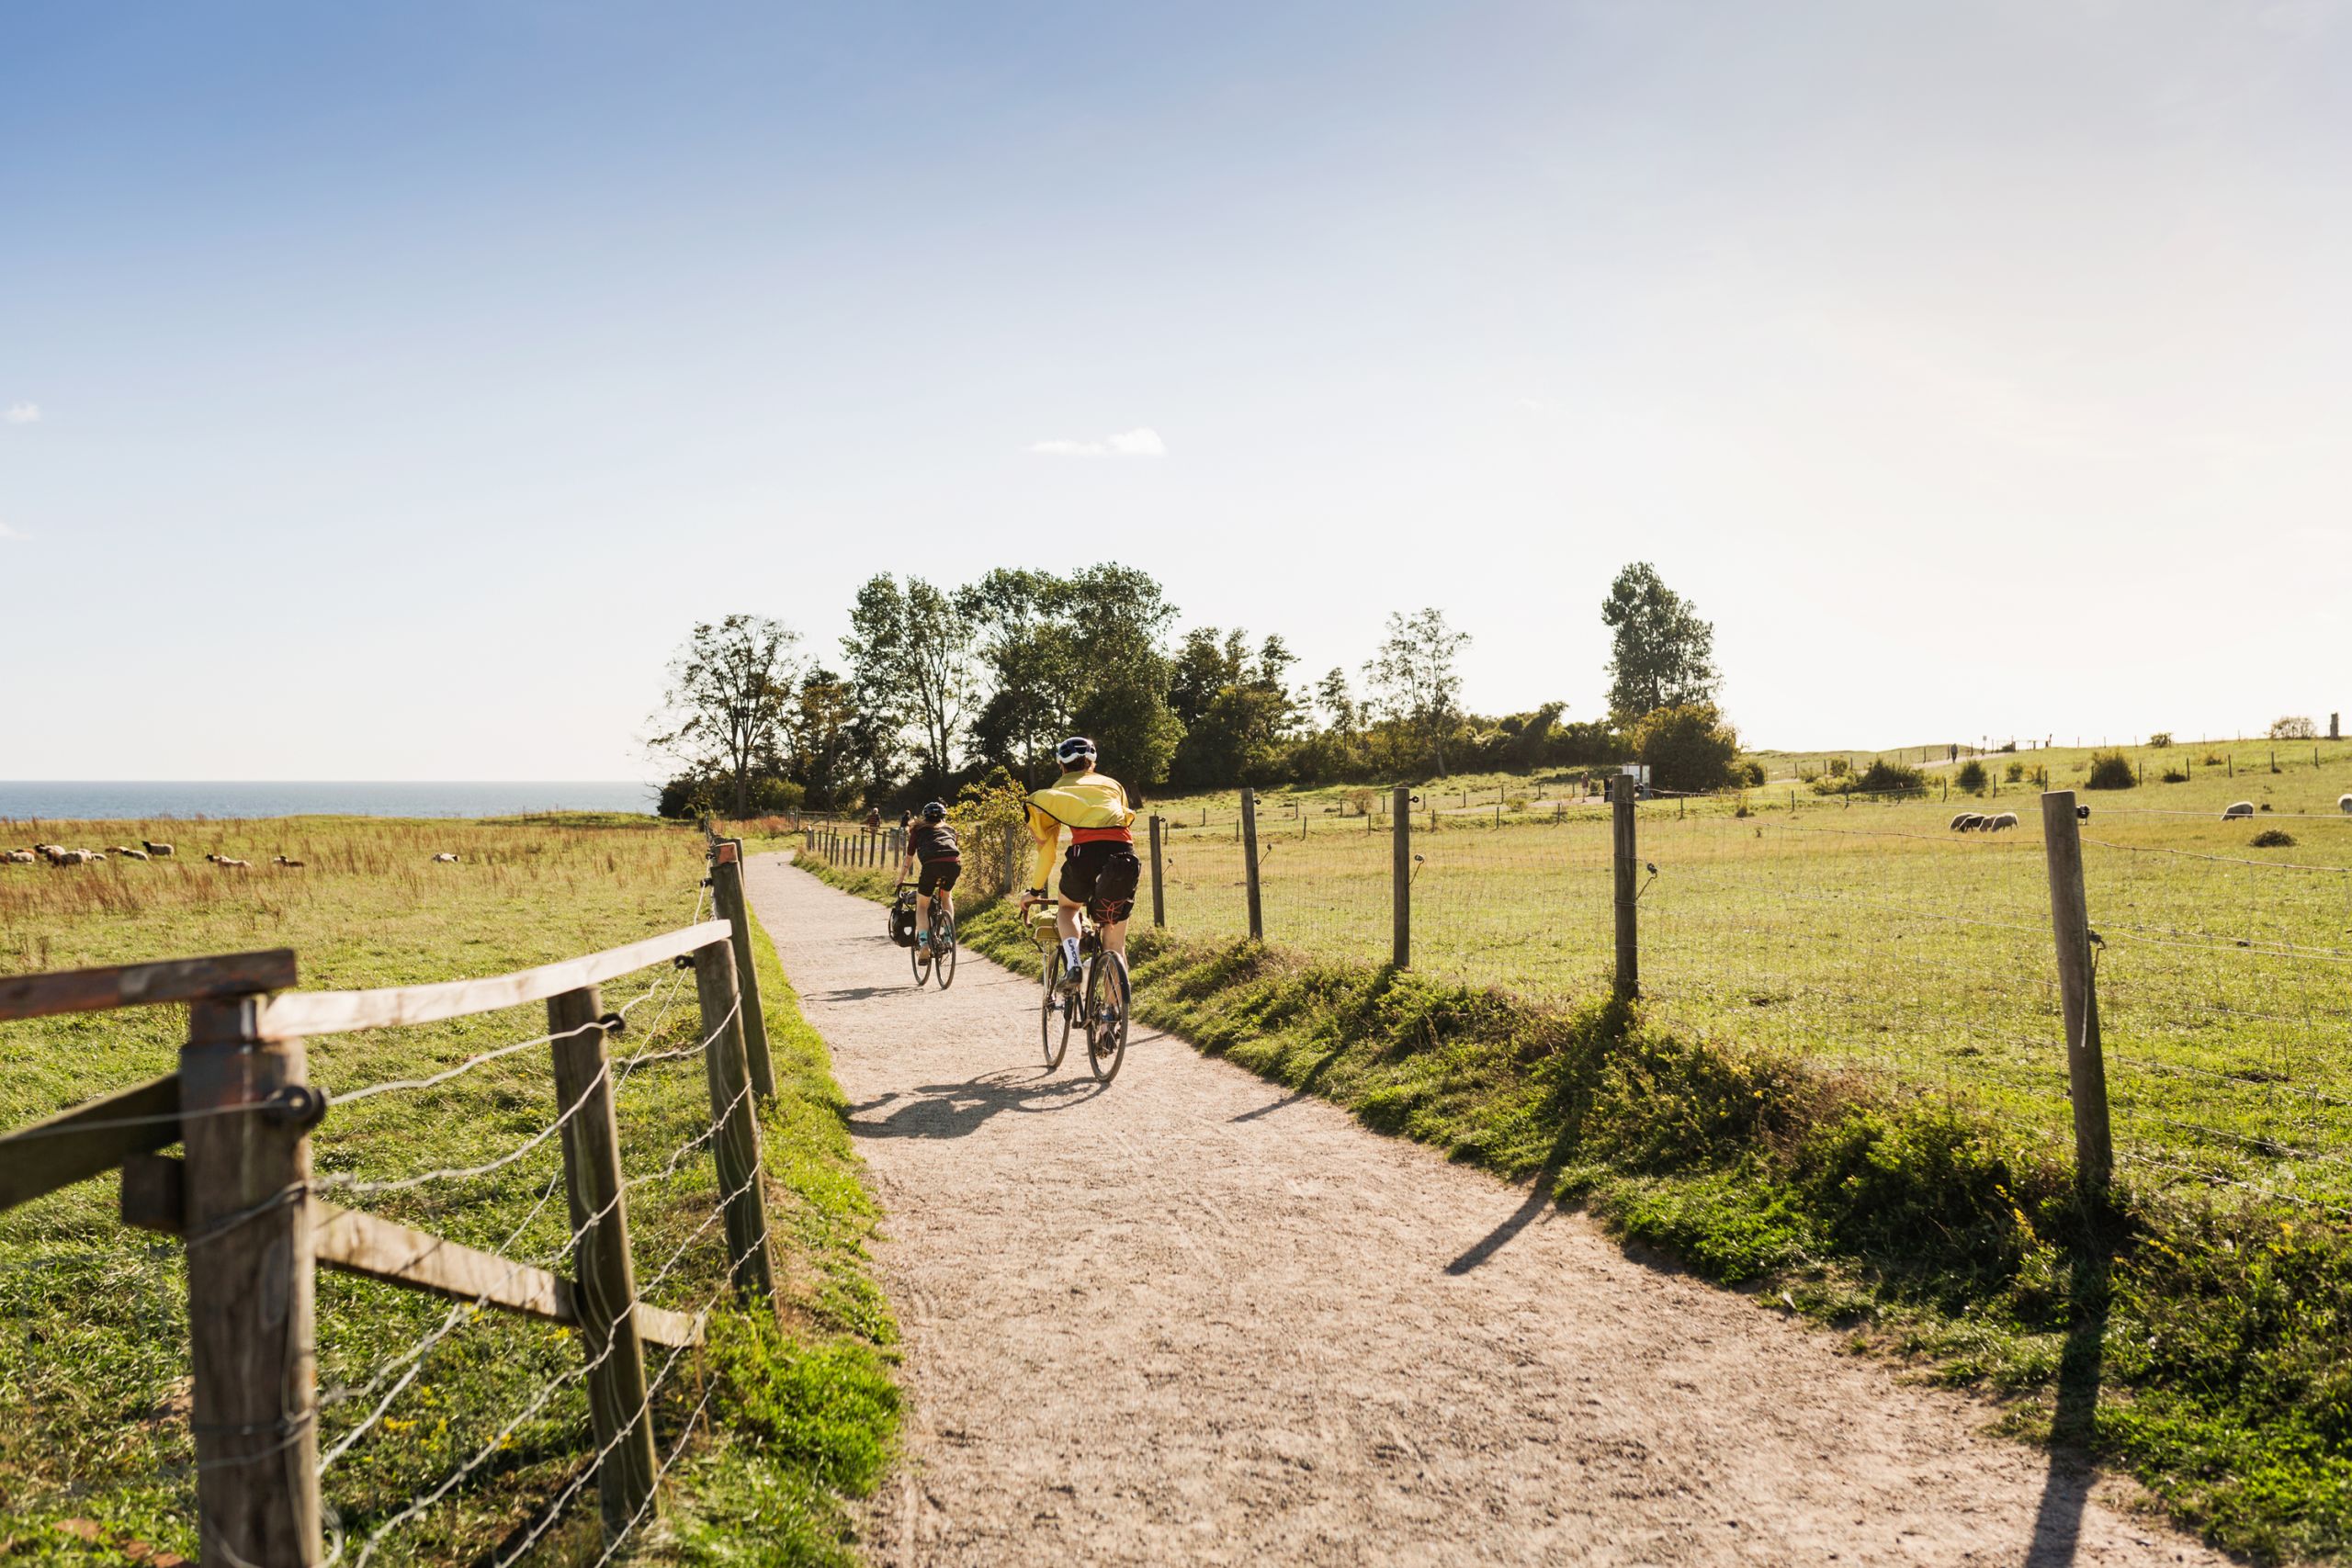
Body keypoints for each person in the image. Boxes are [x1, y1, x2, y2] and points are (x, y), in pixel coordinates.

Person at [1017, 736, 1141, 993]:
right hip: (1124, 856)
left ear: (1061, 766)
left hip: (1085, 854)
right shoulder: (1113, 785)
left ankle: (1073, 963)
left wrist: (1035, 891)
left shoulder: (1057, 790)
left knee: (1068, 908)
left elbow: (1048, 853)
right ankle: (1113, 1014)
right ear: (1092, 763)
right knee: (1115, 945)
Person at [898, 801, 959, 949]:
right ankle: (948, 937)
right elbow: (950, 851)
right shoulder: (951, 830)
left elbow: (909, 857)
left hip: (931, 867)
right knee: (946, 897)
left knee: (922, 905)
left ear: (925, 817)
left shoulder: (918, 830)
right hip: (954, 866)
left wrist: (901, 878)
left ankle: (924, 942)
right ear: (943, 816)